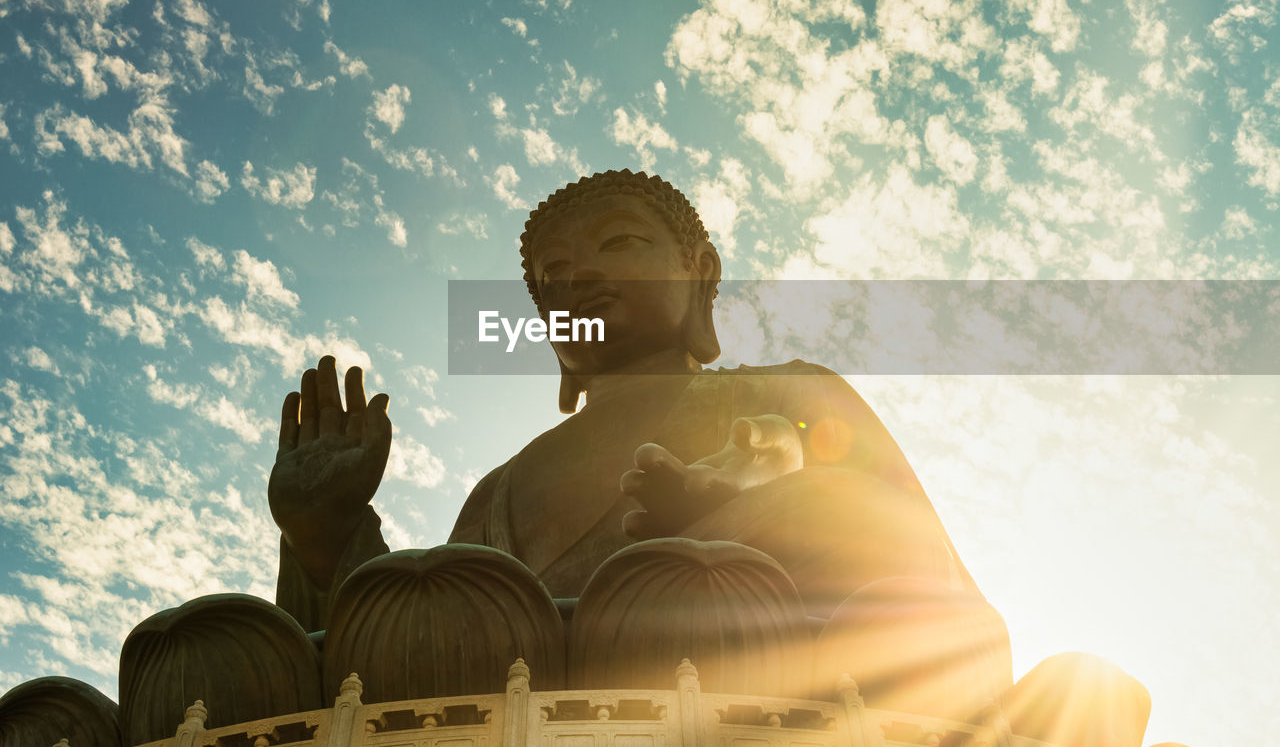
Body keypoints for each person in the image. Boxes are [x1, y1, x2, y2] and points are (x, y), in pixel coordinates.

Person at [269, 169, 978, 632]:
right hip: (526, 714)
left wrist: (733, 522)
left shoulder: (785, 389)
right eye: (554, 277)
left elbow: (909, 560)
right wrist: (327, 539)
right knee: (202, 652)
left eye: (619, 242)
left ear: (699, 274)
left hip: (750, 691)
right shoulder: (499, 492)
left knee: (837, 506)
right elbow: (432, 639)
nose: (582, 277)